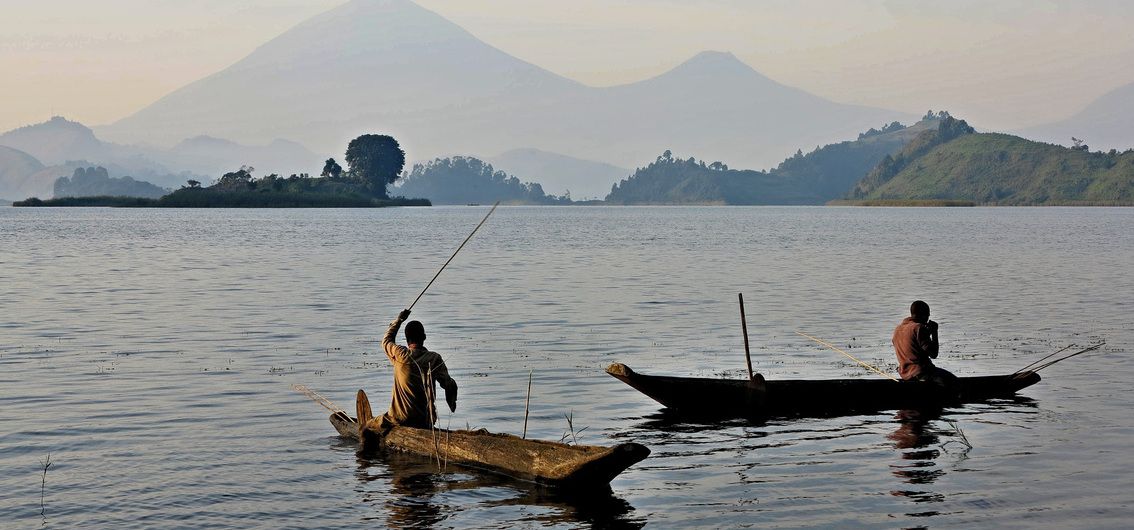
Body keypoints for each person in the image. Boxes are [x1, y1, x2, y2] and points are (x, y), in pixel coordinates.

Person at [380, 308, 458, 428]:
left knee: (368, 426)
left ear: (407, 340)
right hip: (425, 421)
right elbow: (449, 384)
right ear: (424, 337)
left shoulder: (400, 355)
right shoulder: (434, 358)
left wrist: (399, 320)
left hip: (399, 420)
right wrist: (452, 401)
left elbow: (386, 340)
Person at [892, 301, 958, 390]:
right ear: (924, 315)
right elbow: (933, 354)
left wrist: (927, 334)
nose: (927, 319)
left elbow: (914, 344)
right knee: (956, 383)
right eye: (927, 316)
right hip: (922, 373)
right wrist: (934, 333)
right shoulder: (919, 328)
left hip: (905, 374)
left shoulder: (898, 329)